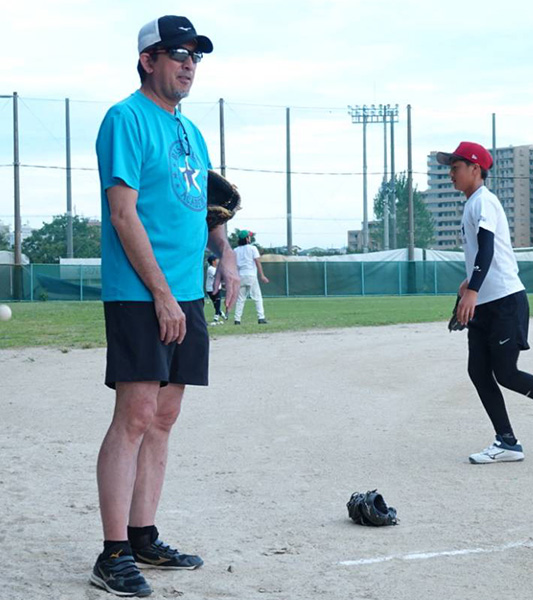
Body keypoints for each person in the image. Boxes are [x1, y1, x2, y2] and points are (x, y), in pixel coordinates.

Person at [92, 15, 239, 598]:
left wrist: (223, 253)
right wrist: (158, 293)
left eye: (195, 55)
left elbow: (203, 206)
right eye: (176, 53)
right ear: (148, 60)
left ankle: (143, 534)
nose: (188, 63)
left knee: (165, 416)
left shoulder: (192, 132)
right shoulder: (125, 119)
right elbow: (124, 214)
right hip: (138, 290)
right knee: (134, 415)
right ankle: (112, 553)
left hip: (184, 288)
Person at [437, 141, 533, 464]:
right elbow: (481, 257)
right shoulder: (472, 204)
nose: (450, 174)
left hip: (505, 300)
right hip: (485, 302)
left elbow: (488, 250)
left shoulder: (483, 202)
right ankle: (507, 442)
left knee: (505, 372)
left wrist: (473, 291)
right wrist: (467, 288)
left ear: (475, 169)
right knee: (478, 370)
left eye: (456, 167)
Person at [233, 230, 269, 325]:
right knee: (257, 297)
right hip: (251, 275)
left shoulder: (235, 250)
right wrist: (262, 275)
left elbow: (234, 265)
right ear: (247, 238)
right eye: (249, 236)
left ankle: (237, 319)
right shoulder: (253, 248)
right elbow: (257, 262)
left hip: (240, 275)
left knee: (240, 299)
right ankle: (261, 318)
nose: (250, 238)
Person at [205, 256, 225, 324]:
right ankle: (217, 315)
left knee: (217, 302)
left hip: (217, 288)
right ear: (213, 261)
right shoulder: (211, 269)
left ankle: (219, 314)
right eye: (217, 259)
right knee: (216, 303)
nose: (218, 261)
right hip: (211, 289)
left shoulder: (216, 268)